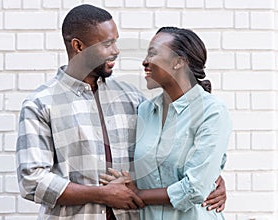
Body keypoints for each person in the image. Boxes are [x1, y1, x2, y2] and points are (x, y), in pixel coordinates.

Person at [16, 4, 227, 220]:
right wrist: (102, 194)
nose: (116, 50)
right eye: (107, 44)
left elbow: (165, 153)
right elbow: (32, 181)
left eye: (116, 41)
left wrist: (211, 179)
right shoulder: (41, 104)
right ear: (79, 46)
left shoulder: (132, 98)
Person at [100, 27, 231, 220]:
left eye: (152, 53)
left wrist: (136, 194)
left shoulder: (212, 112)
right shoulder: (144, 110)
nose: (144, 61)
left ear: (178, 62)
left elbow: (195, 189)